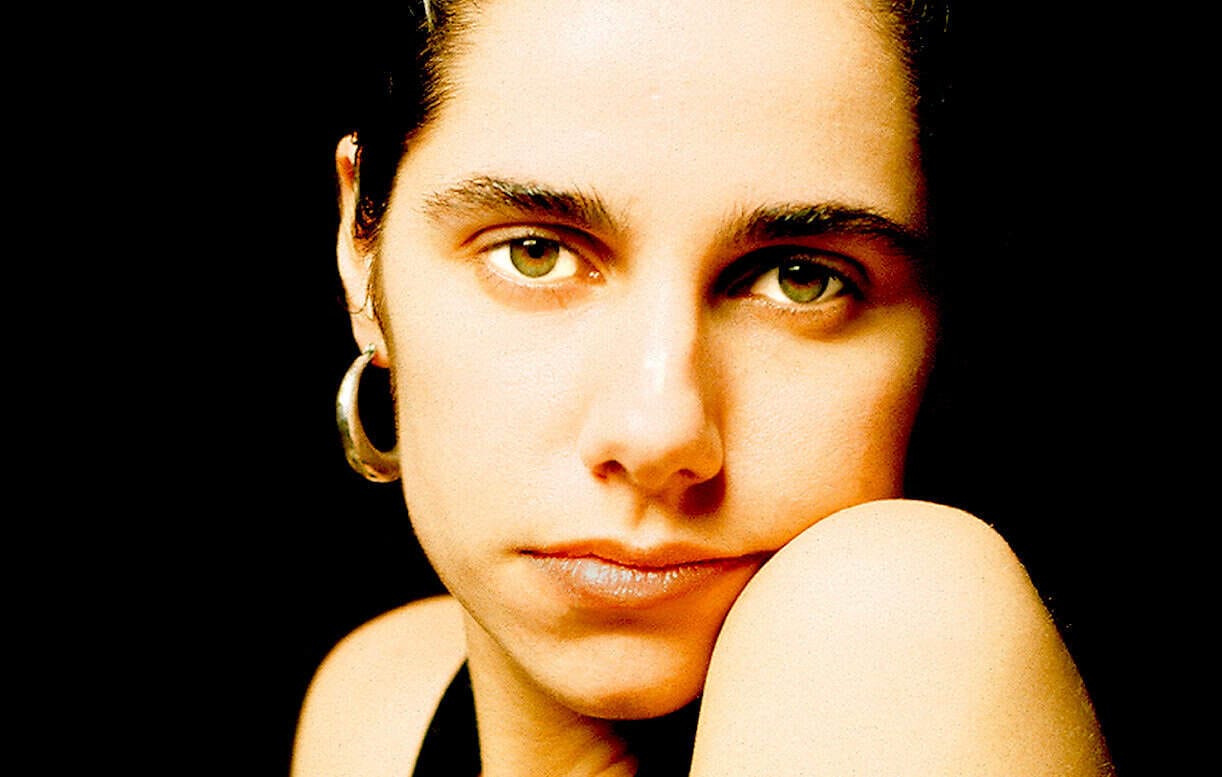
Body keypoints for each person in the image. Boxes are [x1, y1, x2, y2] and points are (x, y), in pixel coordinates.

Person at [294, 1, 1114, 775]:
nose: (657, 433)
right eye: (534, 253)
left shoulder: (894, 621)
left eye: (802, 278)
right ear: (358, 250)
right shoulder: (375, 707)